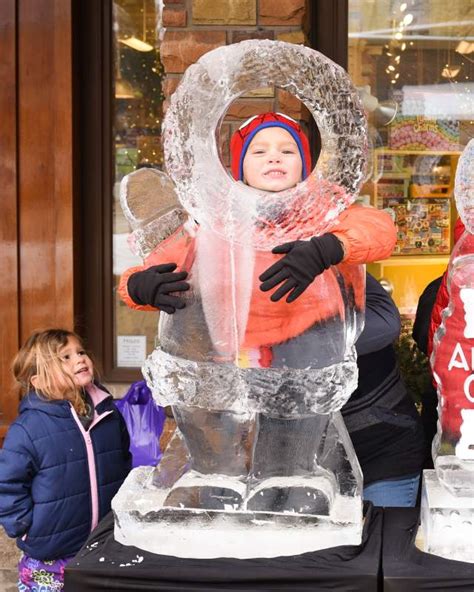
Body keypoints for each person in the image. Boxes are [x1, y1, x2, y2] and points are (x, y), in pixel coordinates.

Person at [118, 112, 397, 317]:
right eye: (259, 151)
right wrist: (138, 287)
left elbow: (380, 228)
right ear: (241, 170)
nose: (274, 157)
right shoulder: (219, 220)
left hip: (319, 341)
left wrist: (330, 247)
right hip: (248, 356)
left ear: (304, 165)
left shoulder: (323, 208)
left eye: (288, 151)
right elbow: (162, 263)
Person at [0, 329, 131, 592]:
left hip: (102, 543)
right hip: (50, 553)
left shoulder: (107, 413)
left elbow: (122, 458)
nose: (80, 359)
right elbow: (7, 484)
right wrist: (26, 529)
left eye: (80, 352)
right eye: (65, 358)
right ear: (38, 380)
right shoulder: (29, 428)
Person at [343, 274, 426, 507]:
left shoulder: (337, 260)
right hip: (303, 457)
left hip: (383, 449)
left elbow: (385, 324)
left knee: (380, 538)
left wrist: (298, 335)